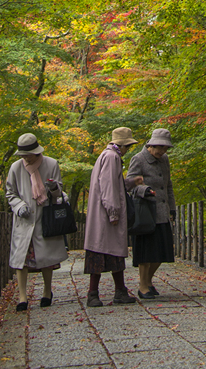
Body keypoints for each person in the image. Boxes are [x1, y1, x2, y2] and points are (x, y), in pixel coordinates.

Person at [6, 132, 68, 312]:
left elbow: (59, 193)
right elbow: (11, 193)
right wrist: (19, 206)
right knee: (22, 259)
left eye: (29, 154)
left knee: (46, 258)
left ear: (37, 152)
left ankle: (47, 291)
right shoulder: (16, 168)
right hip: (24, 220)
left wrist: (54, 188)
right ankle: (22, 296)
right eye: (23, 155)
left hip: (44, 216)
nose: (26, 158)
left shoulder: (51, 164)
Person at [84, 126, 141, 307]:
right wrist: (113, 212)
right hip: (106, 215)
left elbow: (113, 184)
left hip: (101, 213)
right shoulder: (112, 157)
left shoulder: (106, 155)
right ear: (123, 145)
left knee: (105, 251)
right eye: (128, 147)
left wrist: (131, 183)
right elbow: (108, 187)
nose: (127, 150)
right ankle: (97, 293)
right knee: (106, 251)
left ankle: (115, 291)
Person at [127, 127, 176, 299]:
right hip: (145, 212)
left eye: (165, 148)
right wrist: (144, 190)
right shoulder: (138, 159)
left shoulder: (164, 160)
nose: (162, 151)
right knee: (146, 251)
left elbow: (168, 184)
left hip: (162, 212)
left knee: (162, 250)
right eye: (160, 147)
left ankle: (147, 281)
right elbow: (129, 184)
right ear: (151, 145)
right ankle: (143, 286)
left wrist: (172, 208)